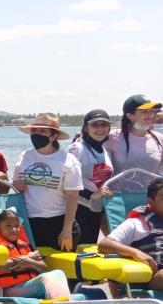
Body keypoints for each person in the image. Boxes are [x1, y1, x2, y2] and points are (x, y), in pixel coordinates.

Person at [11, 113, 82, 251]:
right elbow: (15, 184)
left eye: (42, 131)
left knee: (60, 270)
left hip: (59, 221)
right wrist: (17, 183)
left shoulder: (68, 160)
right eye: (34, 130)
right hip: (29, 222)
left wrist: (67, 230)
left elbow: (72, 197)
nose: (37, 134)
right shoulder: (25, 156)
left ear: (54, 136)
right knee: (32, 269)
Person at [0, 207, 71, 298]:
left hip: (27, 285)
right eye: (8, 226)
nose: (14, 230)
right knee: (48, 280)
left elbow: (43, 267)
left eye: (17, 226)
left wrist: (29, 261)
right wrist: (30, 257)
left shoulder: (23, 244)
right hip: (8, 289)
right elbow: (3, 266)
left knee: (60, 274)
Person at [99, 178, 163, 289]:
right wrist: (135, 253)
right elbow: (105, 244)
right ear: (150, 201)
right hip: (154, 277)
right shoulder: (137, 223)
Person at [67, 110, 115, 244]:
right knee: (77, 250)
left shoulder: (104, 151)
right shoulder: (77, 148)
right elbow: (64, 180)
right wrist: (92, 195)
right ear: (86, 128)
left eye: (104, 124)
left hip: (95, 210)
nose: (100, 128)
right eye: (95, 125)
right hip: (77, 210)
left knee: (90, 249)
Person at [105, 94, 163, 192]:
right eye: (144, 112)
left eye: (152, 111)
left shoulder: (159, 138)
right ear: (130, 116)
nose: (150, 115)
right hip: (118, 199)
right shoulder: (112, 137)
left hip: (150, 201)